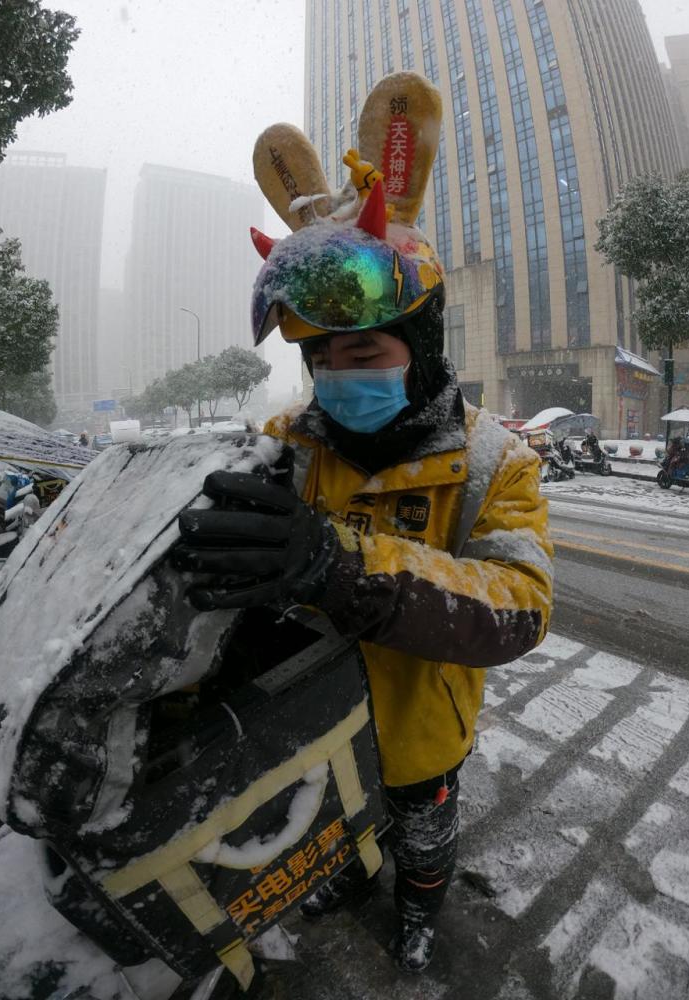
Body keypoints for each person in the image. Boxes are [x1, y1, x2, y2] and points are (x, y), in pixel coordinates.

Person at [173, 128, 553, 976]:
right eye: (322, 359)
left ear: (418, 353)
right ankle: (348, 876)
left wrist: (336, 565)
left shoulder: (496, 461)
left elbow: (520, 605)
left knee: (423, 834)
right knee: (335, 826)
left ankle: (420, 913)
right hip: (311, 722)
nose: (339, 375)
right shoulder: (287, 447)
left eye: (364, 353)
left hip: (423, 732)